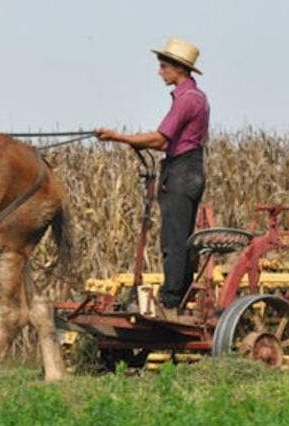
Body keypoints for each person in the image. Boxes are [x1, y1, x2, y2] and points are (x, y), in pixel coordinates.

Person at [97, 37, 210, 317]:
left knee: (173, 238)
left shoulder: (186, 100)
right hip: (188, 169)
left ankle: (171, 300)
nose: (159, 71)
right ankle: (177, 295)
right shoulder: (195, 97)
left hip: (181, 170)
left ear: (178, 69)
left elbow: (160, 140)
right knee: (180, 236)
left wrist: (118, 137)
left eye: (163, 66)